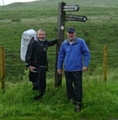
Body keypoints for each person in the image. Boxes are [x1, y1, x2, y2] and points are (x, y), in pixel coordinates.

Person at [57, 27, 90, 112]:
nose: (71, 34)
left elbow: (87, 53)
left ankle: (78, 103)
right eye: (69, 33)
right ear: (67, 34)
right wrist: (59, 67)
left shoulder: (80, 42)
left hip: (77, 69)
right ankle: (71, 100)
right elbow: (61, 55)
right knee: (69, 86)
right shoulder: (64, 43)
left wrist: (85, 65)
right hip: (67, 69)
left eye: (72, 33)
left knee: (78, 86)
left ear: (75, 33)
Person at [25, 29, 57, 100]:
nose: (41, 36)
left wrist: (57, 40)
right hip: (35, 67)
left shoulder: (44, 42)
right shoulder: (33, 43)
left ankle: (41, 98)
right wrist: (29, 66)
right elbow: (28, 55)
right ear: (37, 35)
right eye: (40, 35)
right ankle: (35, 99)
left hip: (43, 67)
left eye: (43, 35)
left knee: (43, 84)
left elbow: (50, 43)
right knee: (36, 84)